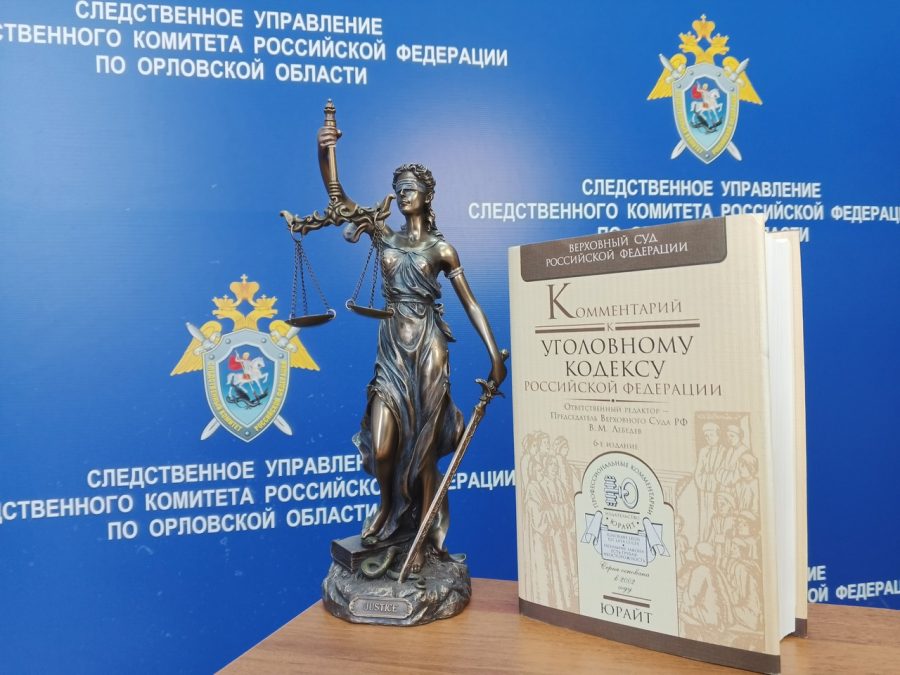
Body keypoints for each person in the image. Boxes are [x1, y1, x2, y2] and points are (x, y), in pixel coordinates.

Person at [302, 124, 507, 573]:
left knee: (425, 448)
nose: (402, 195)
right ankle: (386, 507)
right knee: (382, 448)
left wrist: (494, 355)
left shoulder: (442, 249)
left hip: (429, 348)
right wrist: (325, 151)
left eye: (410, 188)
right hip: (392, 346)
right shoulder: (384, 235)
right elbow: (338, 199)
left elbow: (470, 303)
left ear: (428, 195)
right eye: (398, 190)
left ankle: (424, 537)